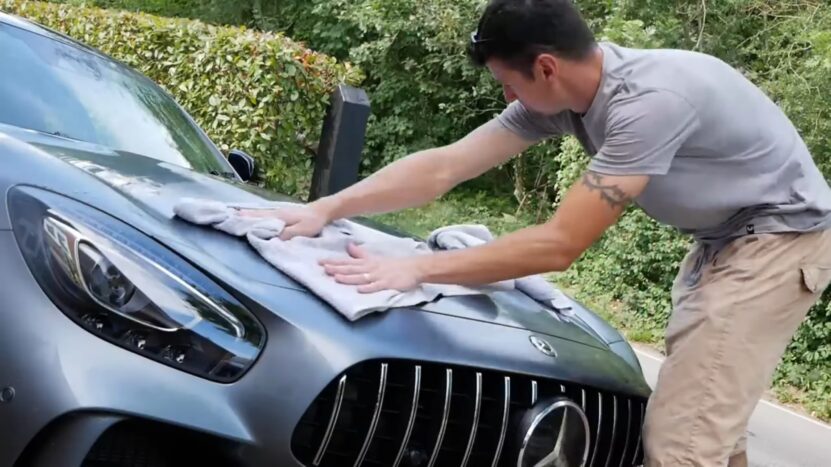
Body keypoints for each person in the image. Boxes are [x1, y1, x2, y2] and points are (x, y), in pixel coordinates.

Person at [241, 0, 831, 464]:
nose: (507, 96)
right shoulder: (562, 100)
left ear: (545, 66)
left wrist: (415, 266)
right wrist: (328, 208)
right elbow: (447, 166)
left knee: (682, 444)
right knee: (711, 426)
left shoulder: (647, 104)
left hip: (775, 242)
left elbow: (560, 244)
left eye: (509, 81)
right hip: (725, 243)